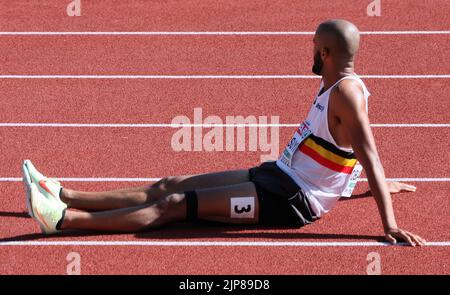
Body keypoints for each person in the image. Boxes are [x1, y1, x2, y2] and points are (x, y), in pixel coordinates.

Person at [23, 19, 425, 246]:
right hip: (278, 175)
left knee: (175, 204)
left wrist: (387, 223)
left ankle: (63, 221)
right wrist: (381, 184)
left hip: (292, 201)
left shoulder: (348, 94)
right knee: (170, 183)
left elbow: (366, 151)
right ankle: (65, 194)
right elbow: (348, 151)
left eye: (313, 46)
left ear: (326, 54)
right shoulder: (337, 85)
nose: (310, 51)